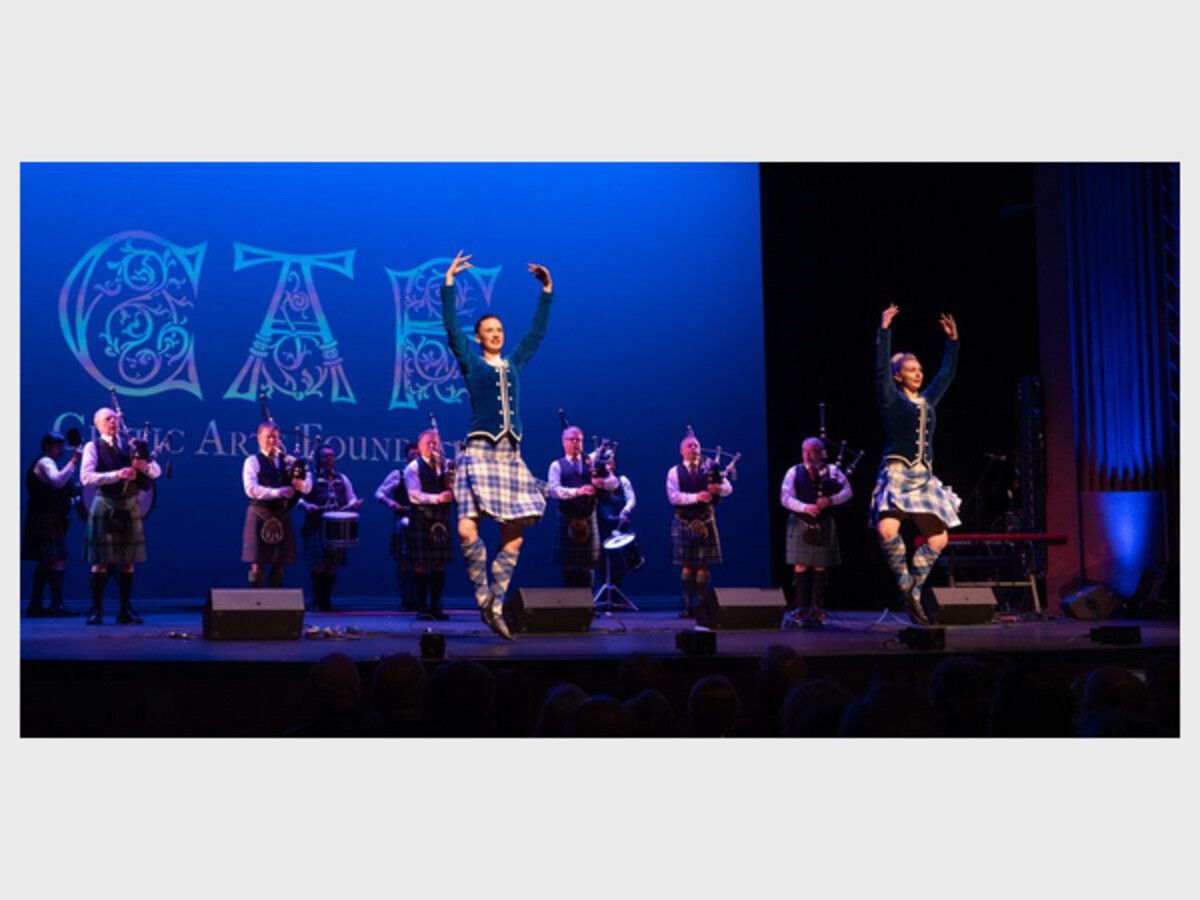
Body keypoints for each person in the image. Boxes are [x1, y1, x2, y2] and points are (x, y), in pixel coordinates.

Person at [441, 250, 555, 640]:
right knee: (465, 530)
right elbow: (452, 330)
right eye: (489, 330)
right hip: (479, 453)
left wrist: (547, 291)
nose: (495, 334)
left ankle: (496, 604)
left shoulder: (514, 364)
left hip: (509, 457)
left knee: (515, 536)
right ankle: (481, 597)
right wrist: (449, 284)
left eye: (499, 330)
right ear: (478, 337)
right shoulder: (472, 363)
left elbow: (535, 335)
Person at [870, 304, 960, 626]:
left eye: (920, 369)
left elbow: (946, 375)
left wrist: (952, 342)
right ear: (898, 376)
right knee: (887, 530)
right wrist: (884, 331)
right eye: (911, 370)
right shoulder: (891, 399)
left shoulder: (928, 400)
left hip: (923, 476)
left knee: (938, 539)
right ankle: (907, 587)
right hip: (897, 472)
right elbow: (881, 371)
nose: (918, 373)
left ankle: (913, 592)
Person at [80, 407, 161, 625]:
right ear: (98, 424)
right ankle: (96, 610)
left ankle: (124, 610)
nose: (113, 422)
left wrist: (145, 467)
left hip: (129, 505)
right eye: (108, 419)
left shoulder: (130, 445)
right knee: (101, 561)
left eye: (115, 418)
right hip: (105, 504)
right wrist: (118, 474)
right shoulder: (92, 447)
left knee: (128, 561)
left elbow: (156, 471)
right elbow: (86, 477)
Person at [780, 436, 853, 627]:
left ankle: (817, 607)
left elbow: (847, 492)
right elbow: (785, 497)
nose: (809, 455)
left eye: (813, 451)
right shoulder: (793, 472)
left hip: (824, 521)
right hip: (801, 520)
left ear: (822, 453)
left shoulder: (833, 471)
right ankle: (801, 607)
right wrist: (805, 507)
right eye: (805, 451)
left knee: (821, 566)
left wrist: (831, 501)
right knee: (800, 565)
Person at [666, 432, 732, 618]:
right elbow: (673, 497)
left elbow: (728, 488)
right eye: (690, 446)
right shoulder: (674, 472)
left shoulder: (711, 468)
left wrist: (719, 488)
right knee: (687, 566)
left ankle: (701, 605)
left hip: (706, 520)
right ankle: (687, 605)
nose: (694, 449)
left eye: (696, 445)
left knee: (703, 565)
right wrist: (697, 497)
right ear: (681, 451)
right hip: (684, 521)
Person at [241, 421, 312, 590]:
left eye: (275, 437)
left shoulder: (289, 462)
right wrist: (277, 492)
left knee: (279, 563)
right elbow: (250, 489)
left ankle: (276, 602)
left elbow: (308, 485)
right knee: (257, 563)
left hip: (281, 515)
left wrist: (301, 484)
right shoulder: (252, 461)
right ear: (259, 438)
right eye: (268, 437)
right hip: (260, 513)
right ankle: (255, 601)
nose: (272, 441)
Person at [547, 426, 618, 589]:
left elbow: (614, 483)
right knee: (568, 564)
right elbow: (553, 490)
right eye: (571, 439)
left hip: (588, 515)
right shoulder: (557, 465)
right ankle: (571, 602)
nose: (575, 443)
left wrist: (602, 483)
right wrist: (578, 491)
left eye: (578, 439)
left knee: (588, 563)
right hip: (567, 516)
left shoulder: (592, 462)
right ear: (563, 442)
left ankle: (586, 601)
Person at [22, 431, 82, 617]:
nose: (61, 449)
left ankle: (36, 604)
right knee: (58, 558)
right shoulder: (45, 462)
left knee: (47, 561)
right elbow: (57, 481)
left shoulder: (50, 463)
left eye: (62, 445)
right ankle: (55, 604)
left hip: (46, 517)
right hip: (45, 517)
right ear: (47, 446)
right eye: (58, 445)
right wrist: (74, 460)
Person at [298, 446, 362, 611]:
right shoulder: (309, 478)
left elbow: (351, 497)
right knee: (319, 563)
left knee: (332, 564)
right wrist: (307, 505)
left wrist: (353, 504)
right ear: (319, 459)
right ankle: (316, 600)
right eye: (325, 456)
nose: (329, 459)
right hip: (316, 525)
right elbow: (298, 498)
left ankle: (326, 601)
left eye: (331, 456)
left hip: (336, 528)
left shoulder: (342, 478)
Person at [403, 429, 456, 620]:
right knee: (421, 563)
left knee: (439, 564)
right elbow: (414, 495)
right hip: (422, 517)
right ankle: (422, 608)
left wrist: (452, 485)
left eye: (435, 443)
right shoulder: (413, 468)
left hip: (441, 518)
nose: (432, 446)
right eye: (428, 443)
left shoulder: (444, 466)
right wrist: (438, 498)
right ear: (419, 447)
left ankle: (436, 607)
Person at [375, 441, 420, 611]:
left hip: (421, 521)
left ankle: (417, 599)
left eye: (418, 454)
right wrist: (391, 502)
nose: (415, 457)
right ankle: (405, 599)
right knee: (403, 559)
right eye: (412, 454)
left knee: (420, 560)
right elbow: (379, 493)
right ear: (406, 456)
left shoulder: (425, 475)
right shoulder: (398, 475)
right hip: (402, 520)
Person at [594, 449, 637, 591]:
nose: (608, 465)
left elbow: (631, 499)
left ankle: (617, 592)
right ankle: (605, 593)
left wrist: (626, 510)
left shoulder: (622, 480)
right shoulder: (596, 481)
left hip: (619, 524)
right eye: (605, 462)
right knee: (601, 561)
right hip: (601, 525)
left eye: (610, 462)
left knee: (618, 561)